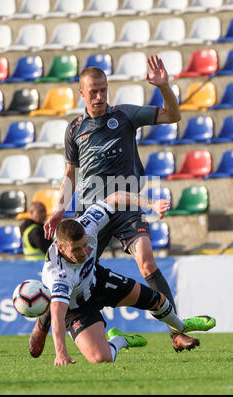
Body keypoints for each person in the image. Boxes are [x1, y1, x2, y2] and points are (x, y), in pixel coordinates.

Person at [43, 54, 197, 352]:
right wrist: (59, 209)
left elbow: (172, 116)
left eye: (103, 89)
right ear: (82, 93)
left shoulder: (125, 115)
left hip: (126, 207)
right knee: (74, 273)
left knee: (147, 260)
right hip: (90, 213)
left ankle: (175, 332)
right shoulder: (75, 129)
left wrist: (165, 87)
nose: (99, 96)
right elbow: (69, 175)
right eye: (93, 91)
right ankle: (43, 325)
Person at [29, 191, 216, 366]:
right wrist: (60, 352)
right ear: (61, 248)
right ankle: (120, 340)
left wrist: (151, 204)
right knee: (101, 358)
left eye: (85, 245)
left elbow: (116, 197)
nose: (84, 252)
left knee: (157, 301)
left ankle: (181, 326)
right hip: (77, 308)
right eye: (76, 250)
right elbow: (57, 314)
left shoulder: (88, 223)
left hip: (97, 281)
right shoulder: (59, 275)